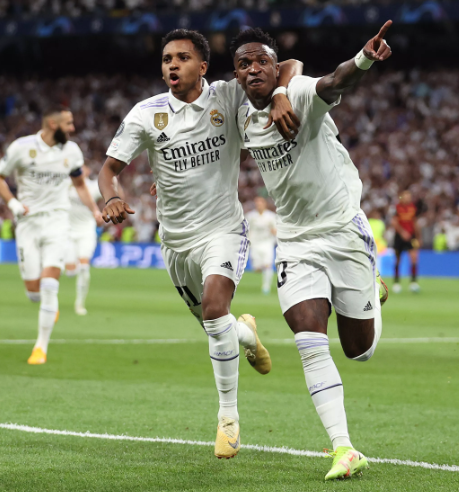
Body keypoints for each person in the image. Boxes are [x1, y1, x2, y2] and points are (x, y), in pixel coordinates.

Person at [98, 29, 302, 460]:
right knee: (215, 323)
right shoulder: (146, 114)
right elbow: (109, 170)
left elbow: (287, 65)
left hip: (223, 229)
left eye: (183, 57)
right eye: (167, 59)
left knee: (213, 308)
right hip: (175, 241)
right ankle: (247, 335)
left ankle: (228, 418)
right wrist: (112, 197)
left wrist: (282, 93)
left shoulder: (227, 95)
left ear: (203, 66)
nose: (172, 64)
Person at [232, 25, 391, 480]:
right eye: (244, 64)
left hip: (343, 232)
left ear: (274, 66)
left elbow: (335, 80)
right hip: (296, 240)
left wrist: (363, 59)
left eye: (262, 61)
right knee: (309, 341)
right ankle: (344, 448)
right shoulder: (238, 112)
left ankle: (371, 288)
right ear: (236, 75)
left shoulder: (299, 92)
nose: (254, 69)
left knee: (358, 351)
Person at [0, 106, 103, 364]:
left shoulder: (72, 151)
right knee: (33, 292)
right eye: (68, 123)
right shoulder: (21, 148)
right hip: (28, 224)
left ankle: (40, 347)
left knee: (49, 286)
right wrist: (13, 203)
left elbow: (80, 184)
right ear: (52, 124)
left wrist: (94, 210)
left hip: (58, 222)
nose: (73, 128)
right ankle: (48, 309)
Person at [64, 165, 103, 315]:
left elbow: (109, 190)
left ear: (88, 171)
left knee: (84, 267)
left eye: (83, 167)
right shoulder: (67, 185)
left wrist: (114, 180)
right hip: (68, 231)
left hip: (87, 230)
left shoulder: (93, 187)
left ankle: (79, 304)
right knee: (70, 272)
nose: (81, 170)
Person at [391, 190, 421, 293]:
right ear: (401, 197)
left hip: (411, 236)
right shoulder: (397, 208)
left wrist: (418, 237)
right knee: (397, 259)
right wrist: (402, 232)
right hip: (399, 237)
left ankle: (413, 283)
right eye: (405, 196)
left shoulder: (413, 208)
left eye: (409, 196)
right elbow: (394, 222)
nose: (407, 198)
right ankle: (396, 283)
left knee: (414, 258)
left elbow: (415, 222)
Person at [245, 196, 277, 294]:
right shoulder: (250, 216)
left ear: (265, 204)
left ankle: (266, 287)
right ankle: (260, 266)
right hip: (255, 244)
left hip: (267, 243)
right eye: (257, 203)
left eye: (261, 203)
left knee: (268, 264)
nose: (259, 205)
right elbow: (246, 229)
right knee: (257, 268)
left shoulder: (271, 216)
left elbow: (275, 229)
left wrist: (274, 232)